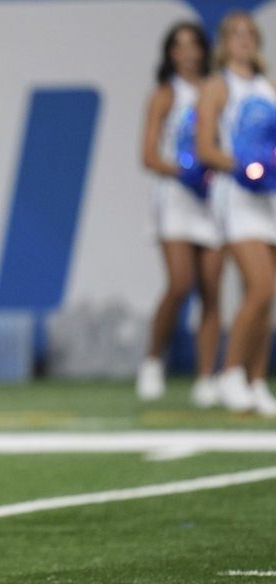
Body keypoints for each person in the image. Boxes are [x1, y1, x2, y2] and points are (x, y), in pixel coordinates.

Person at [135, 22, 223, 407]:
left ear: (203, 50)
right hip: (176, 197)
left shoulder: (217, 91)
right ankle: (153, 360)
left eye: (194, 45)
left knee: (213, 289)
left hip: (215, 198)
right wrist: (186, 170)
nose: (187, 52)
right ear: (170, 53)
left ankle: (207, 378)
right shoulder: (166, 94)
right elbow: (149, 155)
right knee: (180, 283)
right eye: (179, 45)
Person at [196, 11, 276, 416]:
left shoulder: (268, 85)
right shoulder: (216, 86)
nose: (243, 40)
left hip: (269, 200)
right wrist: (242, 166)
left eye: (249, 34)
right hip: (236, 198)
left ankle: (256, 380)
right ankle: (229, 373)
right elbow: (204, 147)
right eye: (236, 34)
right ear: (224, 42)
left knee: (267, 296)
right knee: (260, 286)